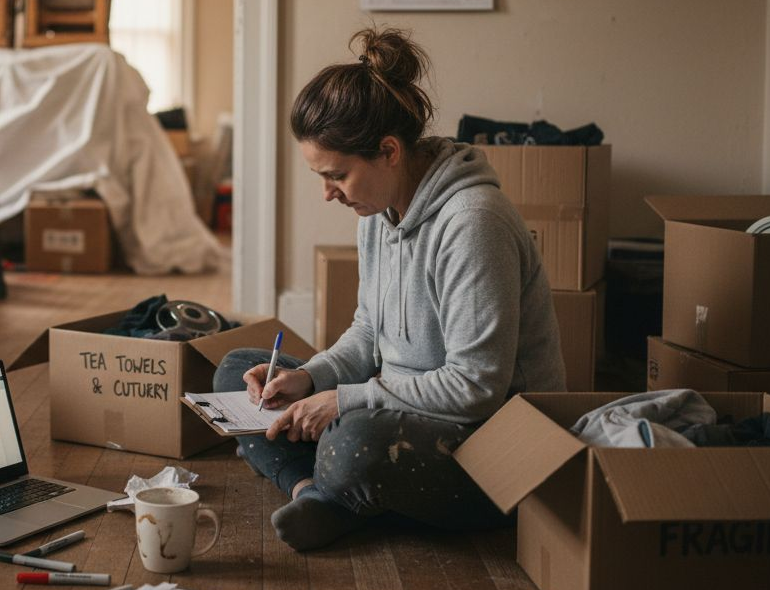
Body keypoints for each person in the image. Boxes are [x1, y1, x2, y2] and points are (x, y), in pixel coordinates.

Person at [213, 27, 565, 551]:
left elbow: (475, 388)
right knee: (236, 369)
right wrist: (309, 380)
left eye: (337, 176)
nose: (327, 194)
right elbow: (367, 332)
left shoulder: (473, 223)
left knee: (354, 440)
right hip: (403, 412)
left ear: (389, 151)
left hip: (494, 447)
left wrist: (347, 401)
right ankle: (316, 493)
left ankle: (338, 490)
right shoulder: (378, 211)